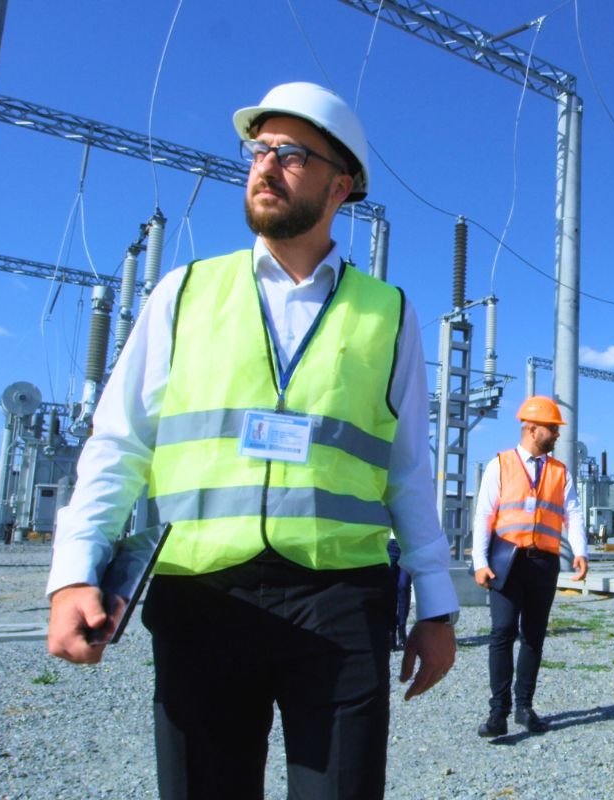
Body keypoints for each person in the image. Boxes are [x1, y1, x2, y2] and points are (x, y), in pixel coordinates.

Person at [45, 81, 458, 799]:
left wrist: (438, 606)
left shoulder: (388, 314)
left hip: (340, 603)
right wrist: (76, 570)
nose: (265, 165)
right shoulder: (184, 292)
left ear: (342, 184)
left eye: (291, 153)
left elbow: (408, 471)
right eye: (258, 149)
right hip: (205, 597)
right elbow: (119, 442)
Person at [471, 396, 589, 737]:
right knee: (502, 633)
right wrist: (480, 561)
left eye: (556, 429)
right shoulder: (501, 465)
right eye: (552, 429)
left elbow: (574, 513)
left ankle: (524, 707)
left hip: (544, 563)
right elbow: (484, 515)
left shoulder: (559, 472)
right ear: (531, 428)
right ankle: (498, 713)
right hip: (507, 563)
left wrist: (580, 550)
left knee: (534, 636)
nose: (556, 434)